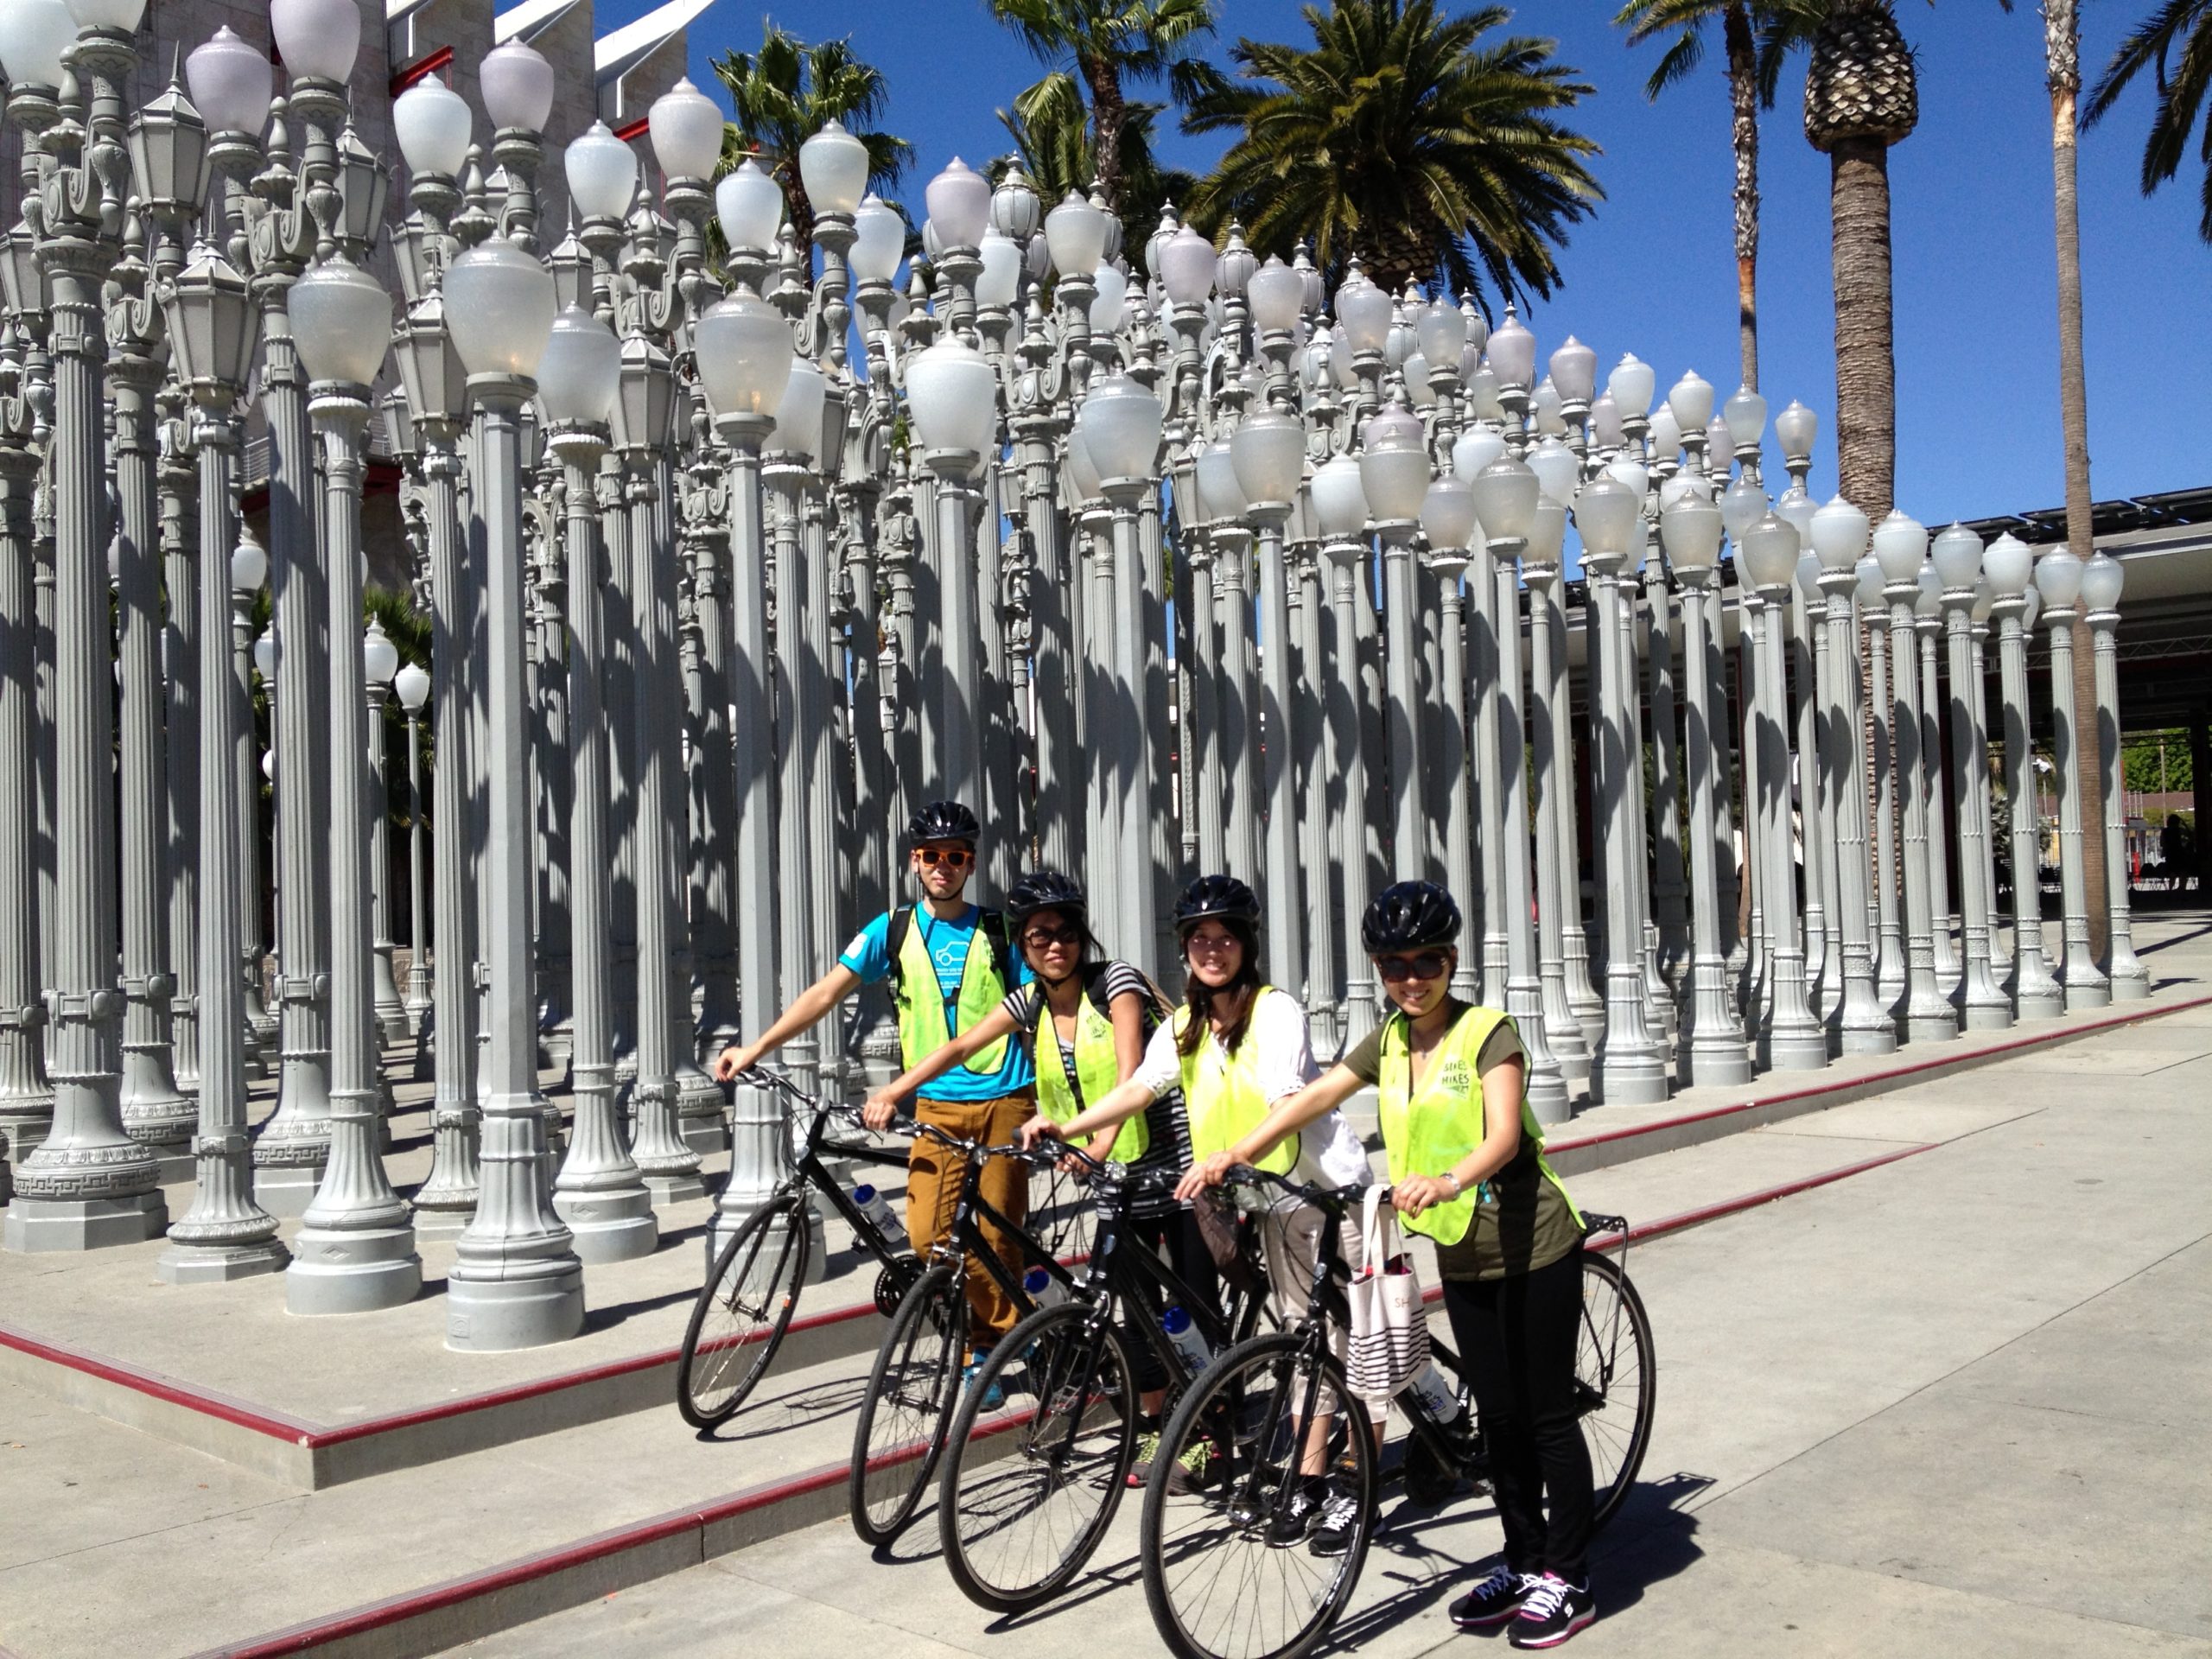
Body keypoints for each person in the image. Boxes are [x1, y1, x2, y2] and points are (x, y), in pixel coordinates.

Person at [1198, 880, 1597, 1649]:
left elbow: (1505, 1135)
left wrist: (1448, 1179)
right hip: (1464, 1249)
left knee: (1544, 1416)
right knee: (1501, 1415)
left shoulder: (1488, 1033)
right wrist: (1239, 1151)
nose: (1411, 978)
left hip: (1532, 1243)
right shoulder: (1384, 1040)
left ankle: (1569, 1577)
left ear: (1451, 961)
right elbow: (1316, 1097)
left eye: (1427, 961)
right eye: (1393, 965)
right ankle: (1523, 1561)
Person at [1024, 874, 1372, 1556]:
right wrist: (1069, 1127)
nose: (1212, 950)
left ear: (1247, 944)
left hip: (1324, 1194)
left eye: (1225, 937)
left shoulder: (1276, 1012)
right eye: (1198, 940)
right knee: (1310, 1340)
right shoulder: (1184, 1026)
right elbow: (1137, 1089)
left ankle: (1359, 1464)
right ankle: (1313, 1475)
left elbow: (1284, 1098)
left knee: (1362, 1334)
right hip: (1260, 1201)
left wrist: (1231, 1156)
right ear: (1184, 950)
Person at [868, 868, 1220, 1482]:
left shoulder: (1117, 984)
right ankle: (1159, 1425)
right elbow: (958, 1046)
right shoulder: (1028, 1000)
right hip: (1116, 1179)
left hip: (1177, 1171)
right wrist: (895, 1090)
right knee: (1133, 1309)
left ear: (1082, 935)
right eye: (1037, 937)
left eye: (1063, 932)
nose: (1053, 945)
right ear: (1023, 946)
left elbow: (1131, 1075)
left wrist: (1101, 1143)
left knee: (1195, 1305)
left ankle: (1214, 1425)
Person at [715, 801, 1035, 1370]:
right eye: (933, 856)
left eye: (955, 857)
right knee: (928, 1236)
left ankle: (985, 1349)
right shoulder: (892, 929)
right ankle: (986, 1327)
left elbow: (1037, 1002)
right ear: (916, 861)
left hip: (1005, 1097)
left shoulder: (998, 929)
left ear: (971, 863)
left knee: (998, 1237)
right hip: (937, 1104)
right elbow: (825, 993)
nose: (944, 866)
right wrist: (756, 1048)